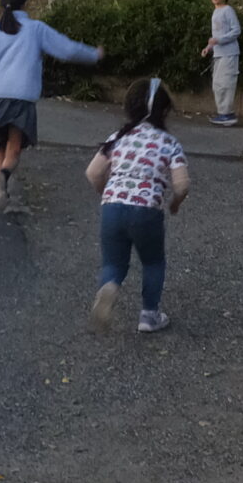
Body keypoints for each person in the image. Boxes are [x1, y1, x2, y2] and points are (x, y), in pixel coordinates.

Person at [0, 0, 103, 212]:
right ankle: (4, 177)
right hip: (22, 98)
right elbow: (67, 49)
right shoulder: (35, 28)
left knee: (0, 146)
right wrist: (93, 54)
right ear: (25, 3)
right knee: (14, 148)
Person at [86, 77, 190, 333]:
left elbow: (93, 172)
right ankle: (149, 316)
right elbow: (181, 185)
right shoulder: (170, 143)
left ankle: (109, 286)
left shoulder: (117, 138)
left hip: (112, 206)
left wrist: (106, 192)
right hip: (146, 210)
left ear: (129, 108)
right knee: (153, 262)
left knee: (113, 263)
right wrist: (175, 203)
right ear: (164, 111)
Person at [200, 0, 241, 126]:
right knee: (217, 84)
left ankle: (227, 114)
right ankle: (223, 113)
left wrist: (219, 40)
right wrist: (208, 47)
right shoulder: (216, 12)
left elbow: (236, 30)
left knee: (225, 83)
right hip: (218, 54)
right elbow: (216, 36)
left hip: (229, 54)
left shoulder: (228, 11)